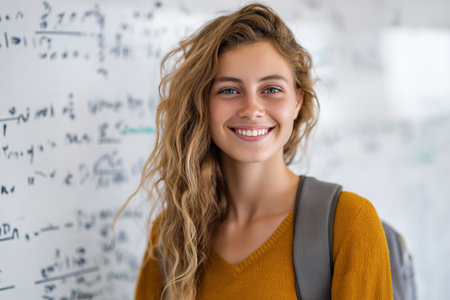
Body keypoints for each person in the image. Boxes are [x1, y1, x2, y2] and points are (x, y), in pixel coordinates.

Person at [129, 3, 393, 300]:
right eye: (229, 90)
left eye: (271, 89)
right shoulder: (171, 235)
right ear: (202, 105)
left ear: (297, 101)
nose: (252, 109)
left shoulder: (350, 223)